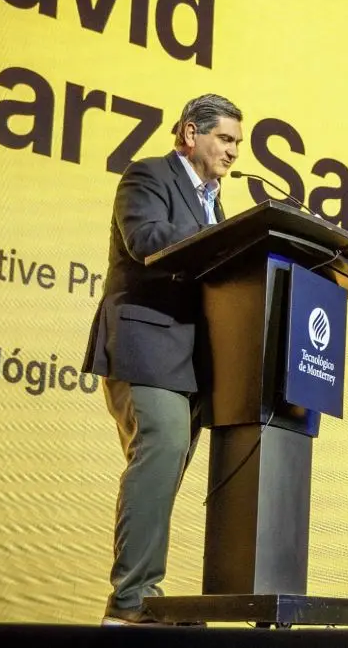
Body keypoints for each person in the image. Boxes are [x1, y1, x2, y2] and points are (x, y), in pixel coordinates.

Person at [81, 93, 244, 626]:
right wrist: (226, 237)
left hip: (191, 359)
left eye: (237, 143)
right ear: (189, 134)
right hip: (145, 343)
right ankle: (130, 603)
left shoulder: (215, 203)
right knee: (163, 448)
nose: (233, 152)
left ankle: (145, 598)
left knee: (166, 467)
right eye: (225, 138)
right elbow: (146, 239)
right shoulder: (148, 175)